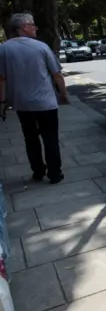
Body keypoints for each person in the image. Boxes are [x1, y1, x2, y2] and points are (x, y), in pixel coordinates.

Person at [0, 13, 69, 184]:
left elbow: (2, 78)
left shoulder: (4, 49)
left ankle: (38, 171)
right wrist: (63, 94)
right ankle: (54, 174)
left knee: (30, 138)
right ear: (23, 27)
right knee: (50, 138)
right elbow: (56, 74)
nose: (35, 27)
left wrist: (2, 102)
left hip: (22, 103)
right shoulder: (41, 47)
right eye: (32, 25)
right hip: (46, 103)